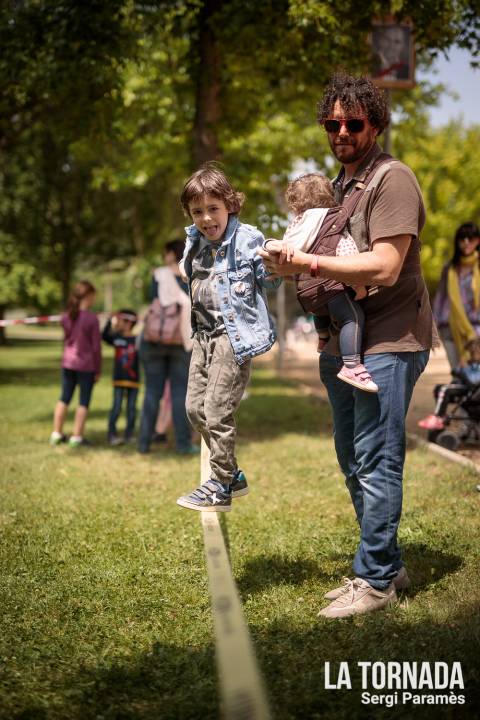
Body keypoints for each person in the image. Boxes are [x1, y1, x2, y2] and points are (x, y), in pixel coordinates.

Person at [259, 73, 438, 618]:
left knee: (376, 458)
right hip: (341, 345)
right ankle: (386, 560)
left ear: (375, 124)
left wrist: (308, 263)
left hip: (389, 339)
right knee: (351, 458)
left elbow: (384, 267)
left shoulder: (392, 179)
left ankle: (376, 579)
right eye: (332, 122)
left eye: (353, 122)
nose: (341, 131)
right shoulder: (337, 189)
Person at [176, 163, 280, 512]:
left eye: (213, 209)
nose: (206, 218)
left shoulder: (247, 237)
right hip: (203, 336)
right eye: (198, 212)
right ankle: (233, 476)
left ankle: (220, 485)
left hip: (232, 339)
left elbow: (271, 277)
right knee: (194, 409)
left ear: (230, 206)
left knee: (217, 410)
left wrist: (274, 261)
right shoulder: (195, 240)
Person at [266, 172, 377, 392]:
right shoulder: (332, 218)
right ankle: (352, 366)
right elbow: (345, 249)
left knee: (321, 307)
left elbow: (284, 248)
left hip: (306, 291)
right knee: (352, 317)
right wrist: (358, 285)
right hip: (329, 285)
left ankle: (323, 337)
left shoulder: (296, 224)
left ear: (296, 205)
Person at [137, 240, 196, 455]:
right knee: (180, 393)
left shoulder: (159, 274)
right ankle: (183, 444)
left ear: (172, 253)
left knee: (152, 391)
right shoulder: (191, 272)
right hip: (180, 340)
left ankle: (143, 443)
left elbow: (154, 301)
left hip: (155, 339)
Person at [50, 280, 101, 448]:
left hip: (68, 363)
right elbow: (95, 348)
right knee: (83, 402)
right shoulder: (91, 319)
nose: (94, 300)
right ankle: (76, 437)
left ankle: (56, 434)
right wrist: (98, 369)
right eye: (93, 296)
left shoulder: (66, 316)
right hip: (86, 365)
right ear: (87, 296)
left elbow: (66, 339)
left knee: (64, 397)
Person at [432, 222, 480, 369]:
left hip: (477, 330)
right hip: (450, 329)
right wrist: (433, 328)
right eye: (462, 239)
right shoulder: (450, 269)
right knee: (459, 374)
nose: (466, 242)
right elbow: (440, 298)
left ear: (478, 241)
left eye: (470, 238)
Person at [418, 337, 480, 431]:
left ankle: (437, 418)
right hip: (466, 389)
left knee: (445, 389)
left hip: (472, 392)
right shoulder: (472, 362)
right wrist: (461, 368)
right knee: (439, 388)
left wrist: (464, 369)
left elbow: (474, 381)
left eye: (473, 352)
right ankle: (439, 415)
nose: (471, 355)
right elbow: (456, 372)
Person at [102, 309, 140, 445]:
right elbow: (104, 336)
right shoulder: (116, 338)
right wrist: (108, 320)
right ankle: (111, 434)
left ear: (129, 323)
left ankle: (129, 435)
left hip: (133, 381)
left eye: (121, 320)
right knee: (116, 407)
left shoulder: (137, 340)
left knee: (131, 409)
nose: (117, 323)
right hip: (119, 380)